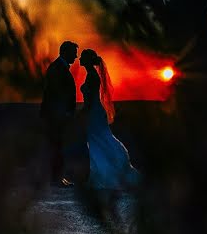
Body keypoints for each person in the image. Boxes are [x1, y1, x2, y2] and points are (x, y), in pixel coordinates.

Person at [78, 48, 140, 190]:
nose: (79, 59)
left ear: (87, 60)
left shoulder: (92, 76)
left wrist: (82, 113)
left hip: (94, 113)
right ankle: (100, 175)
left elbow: (90, 100)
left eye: (82, 57)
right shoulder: (91, 75)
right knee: (98, 141)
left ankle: (106, 175)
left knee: (100, 141)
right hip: (94, 113)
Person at [40, 40, 79, 186]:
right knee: (56, 145)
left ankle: (56, 177)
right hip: (55, 116)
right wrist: (64, 113)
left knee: (57, 145)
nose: (75, 57)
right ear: (65, 52)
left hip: (57, 115)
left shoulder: (59, 67)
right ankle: (56, 178)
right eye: (73, 53)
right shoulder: (57, 68)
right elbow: (55, 94)